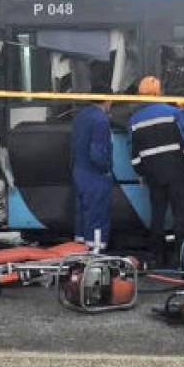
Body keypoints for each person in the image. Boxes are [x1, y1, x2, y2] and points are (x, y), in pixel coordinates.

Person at [129, 76, 184, 266]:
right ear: (159, 92)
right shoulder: (174, 113)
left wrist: (140, 172)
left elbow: (134, 152)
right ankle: (180, 255)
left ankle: (157, 255)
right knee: (180, 213)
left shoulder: (135, 120)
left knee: (157, 214)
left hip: (153, 174)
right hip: (176, 170)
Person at [71, 86, 114, 251]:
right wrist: (107, 167)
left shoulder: (80, 116)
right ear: (108, 100)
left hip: (79, 171)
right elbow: (98, 153)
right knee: (98, 215)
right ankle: (96, 252)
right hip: (95, 175)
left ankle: (79, 250)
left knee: (82, 214)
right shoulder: (100, 120)